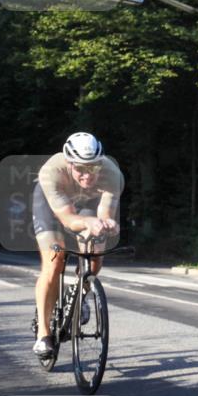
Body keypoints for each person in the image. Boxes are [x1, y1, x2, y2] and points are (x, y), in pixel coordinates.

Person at [32, 133, 124, 358]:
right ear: (69, 163)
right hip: (54, 209)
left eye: (93, 168)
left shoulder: (112, 174)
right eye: (80, 169)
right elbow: (69, 220)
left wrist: (107, 223)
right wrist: (89, 222)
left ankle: (78, 296)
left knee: (94, 261)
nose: (87, 175)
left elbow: (103, 212)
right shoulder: (51, 171)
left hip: (87, 205)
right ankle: (43, 335)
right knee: (55, 262)